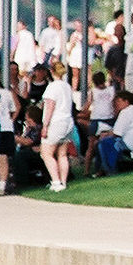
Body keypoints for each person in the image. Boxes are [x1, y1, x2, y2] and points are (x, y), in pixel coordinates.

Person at [39, 63, 75, 192]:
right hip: (67, 121)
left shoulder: (52, 87)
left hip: (56, 121)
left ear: (51, 71)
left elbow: (50, 107)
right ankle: (63, 182)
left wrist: (45, 125)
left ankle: (55, 181)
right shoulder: (67, 86)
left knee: (46, 153)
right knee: (62, 154)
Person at [98, 90, 133, 174]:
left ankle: (109, 169)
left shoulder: (126, 112)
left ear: (126, 101)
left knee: (103, 143)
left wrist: (105, 134)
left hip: (131, 142)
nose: (117, 104)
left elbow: (117, 133)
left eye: (119, 101)